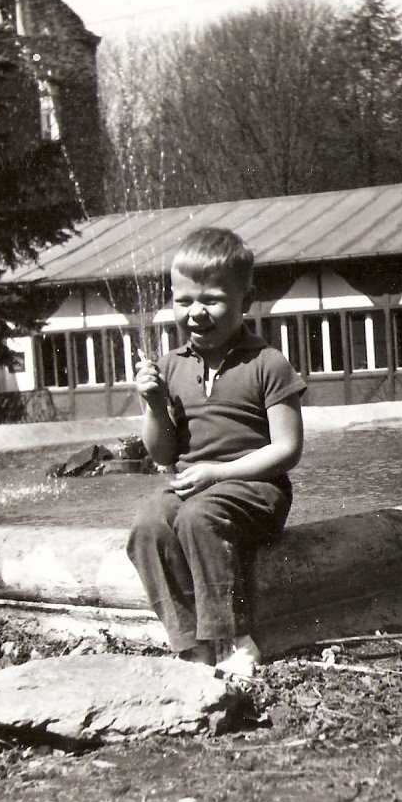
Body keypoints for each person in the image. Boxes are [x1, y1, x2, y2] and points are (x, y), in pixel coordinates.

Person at [127, 227, 306, 678]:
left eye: (212, 300)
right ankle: (190, 643)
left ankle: (233, 637)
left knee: (198, 517)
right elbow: (163, 453)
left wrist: (219, 473)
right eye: (184, 300)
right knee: (147, 525)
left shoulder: (267, 363)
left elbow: (287, 450)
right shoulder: (170, 366)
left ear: (246, 300)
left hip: (256, 490)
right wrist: (153, 405)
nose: (195, 312)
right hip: (195, 484)